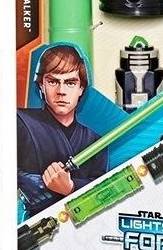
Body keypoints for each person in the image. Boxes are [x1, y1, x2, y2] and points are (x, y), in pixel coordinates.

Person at [17, 44, 108, 218]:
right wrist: (23, 180)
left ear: (81, 88)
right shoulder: (21, 122)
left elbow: (102, 193)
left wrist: (71, 188)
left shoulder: (96, 142)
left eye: (70, 83)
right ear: (41, 85)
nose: (61, 92)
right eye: (53, 82)